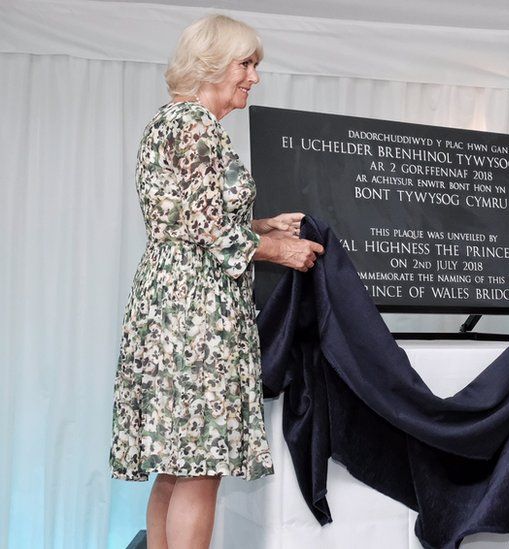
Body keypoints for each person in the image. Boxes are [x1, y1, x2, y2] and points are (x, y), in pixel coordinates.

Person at [109, 14, 324, 549]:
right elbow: (206, 230)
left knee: (177, 461)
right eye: (246, 64)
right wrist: (282, 249)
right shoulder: (197, 127)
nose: (253, 76)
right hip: (195, 310)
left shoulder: (170, 122)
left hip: (169, 298)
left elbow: (191, 219)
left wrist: (261, 225)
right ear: (210, 65)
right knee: (201, 463)